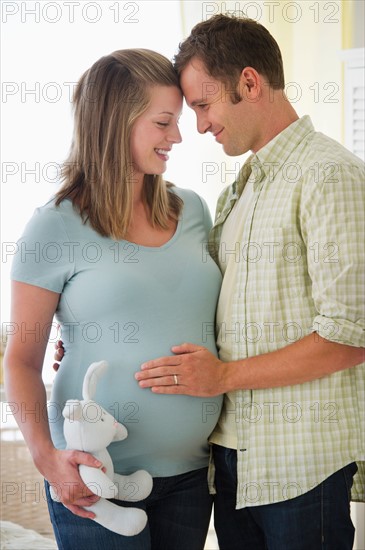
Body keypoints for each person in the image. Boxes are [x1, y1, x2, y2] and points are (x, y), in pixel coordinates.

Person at [135, 15, 365, 550]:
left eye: (203, 104)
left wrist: (222, 377)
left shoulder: (330, 175)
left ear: (250, 83)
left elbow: (350, 335)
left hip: (302, 466)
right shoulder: (238, 192)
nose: (199, 125)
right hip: (233, 464)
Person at [4, 48, 223, 550]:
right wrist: (47, 460)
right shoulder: (54, 225)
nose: (178, 137)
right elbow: (20, 361)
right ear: (114, 123)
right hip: (93, 477)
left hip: (191, 475)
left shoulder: (193, 211)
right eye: (163, 122)